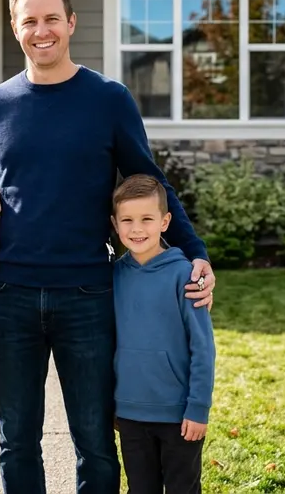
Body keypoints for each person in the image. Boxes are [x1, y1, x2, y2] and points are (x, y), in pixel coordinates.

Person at [0, 0, 217, 493]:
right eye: (29, 21)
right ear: (14, 27)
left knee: (93, 439)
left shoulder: (108, 99)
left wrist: (195, 250)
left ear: (71, 22)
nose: (41, 30)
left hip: (88, 294)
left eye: (51, 19)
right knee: (16, 440)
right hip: (11, 295)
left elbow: (149, 182)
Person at [110, 174, 215, 494]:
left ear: (165, 221)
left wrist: (198, 408)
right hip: (129, 414)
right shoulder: (112, 276)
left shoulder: (185, 275)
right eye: (127, 220)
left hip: (179, 415)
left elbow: (203, 348)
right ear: (115, 224)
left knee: (182, 488)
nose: (137, 229)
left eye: (147, 219)